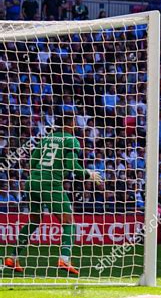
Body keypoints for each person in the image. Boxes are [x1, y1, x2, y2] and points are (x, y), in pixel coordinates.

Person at [4, 115, 103, 274]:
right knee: (69, 222)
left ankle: (12, 257)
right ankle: (64, 259)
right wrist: (87, 174)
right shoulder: (71, 140)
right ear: (70, 125)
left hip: (32, 182)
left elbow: (32, 162)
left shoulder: (45, 139)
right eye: (75, 124)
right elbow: (72, 166)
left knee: (35, 220)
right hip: (51, 184)